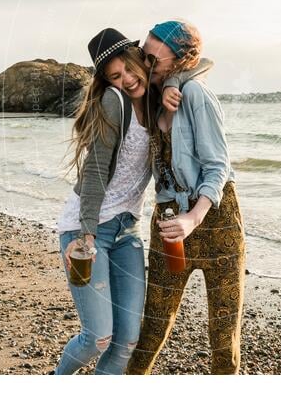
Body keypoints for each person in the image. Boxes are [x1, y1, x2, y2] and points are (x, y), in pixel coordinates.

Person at [55, 28, 211, 375]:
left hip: (128, 231)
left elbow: (202, 64)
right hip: (88, 230)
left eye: (128, 68)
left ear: (140, 59)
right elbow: (94, 170)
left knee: (126, 341)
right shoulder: (115, 102)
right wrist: (86, 235)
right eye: (115, 76)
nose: (126, 79)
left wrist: (171, 84)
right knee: (98, 337)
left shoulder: (156, 98)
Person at [127, 20, 245, 375]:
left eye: (153, 59)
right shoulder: (154, 96)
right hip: (167, 220)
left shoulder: (196, 95)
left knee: (223, 336)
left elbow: (218, 166)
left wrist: (194, 217)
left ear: (179, 60)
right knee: (152, 326)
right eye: (144, 56)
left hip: (215, 221)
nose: (145, 65)